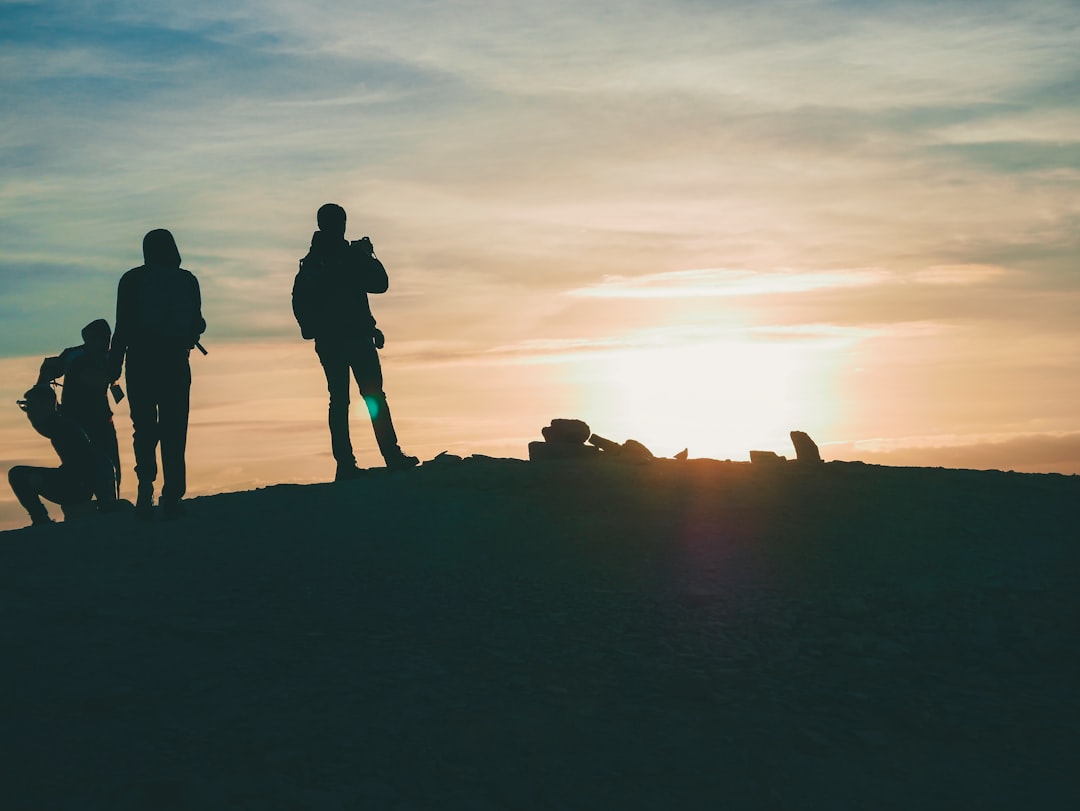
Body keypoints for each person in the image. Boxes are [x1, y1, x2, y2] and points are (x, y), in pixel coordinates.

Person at [292, 203, 418, 480]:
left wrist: (310, 328)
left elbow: (299, 299)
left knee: (340, 401)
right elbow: (380, 283)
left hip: (337, 340)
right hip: (353, 338)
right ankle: (390, 456)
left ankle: (347, 465)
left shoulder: (313, 262)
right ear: (341, 224)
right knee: (370, 396)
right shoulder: (346, 257)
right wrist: (368, 254)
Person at [110, 229, 206, 518]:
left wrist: (114, 365)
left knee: (144, 427)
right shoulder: (188, 280)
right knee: (175, 429)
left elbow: (122, 325)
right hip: (175, 362)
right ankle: (173, 495)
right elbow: (197, 323)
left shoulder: (131, 279)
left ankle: (144, 487)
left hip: (140, 362)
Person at [37, 318, 122, 506]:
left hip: (99, 421)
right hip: (76, 423)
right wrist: (42, 391)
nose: (105, 342)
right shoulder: (74, 355)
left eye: (107, 338)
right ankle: (88, 503)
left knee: (110, 465)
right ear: (89, 338)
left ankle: (109, 502)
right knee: (85, 465)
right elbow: (49, 369)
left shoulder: (109, 357)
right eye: (102, 338)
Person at [8, 384, 97, 526]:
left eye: (32, 406)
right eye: (27, 407)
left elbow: (42, 425)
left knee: (17, 475)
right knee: (19, 474)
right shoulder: (62, 423)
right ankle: (40, 519)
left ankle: (40, 519)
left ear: (48, 404)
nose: (30, 412)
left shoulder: (61, 426)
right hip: (78, 483)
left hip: (77, 486)